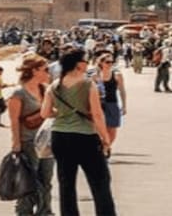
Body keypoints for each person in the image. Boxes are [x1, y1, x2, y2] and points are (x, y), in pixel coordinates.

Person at [41, 49, 116, 216]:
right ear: (78, 64)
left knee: (66, 183)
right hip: (85, 137)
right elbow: (97, 115)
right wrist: (106, 139)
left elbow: (44, 113)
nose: (87, 63)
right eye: (85, 61)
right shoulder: (88, 84)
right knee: (100, 182)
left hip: (60, 136)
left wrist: (62, 113)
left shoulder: (54, 85)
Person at [8, 54, 54, 216]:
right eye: (45, 69)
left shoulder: (45, 89)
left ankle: (45, 212)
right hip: (28, 142)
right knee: (28, 182)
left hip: (47, 143)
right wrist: (16, 143)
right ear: (34, 71)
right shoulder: (18, 93)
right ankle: (24, 212)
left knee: (46, 181)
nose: (48, 72)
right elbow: (14, 121)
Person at [93, 51, 126, 149]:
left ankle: (106, 147)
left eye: (112, 62)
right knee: (98, 129)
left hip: (112, 103)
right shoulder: (95, 76)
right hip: (98, 104)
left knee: (112, 130)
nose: (110, 64)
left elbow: (122, 91)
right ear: (101, 63)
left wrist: (124, 106)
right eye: (107, 62)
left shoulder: (117, 75)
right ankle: (101, 149)